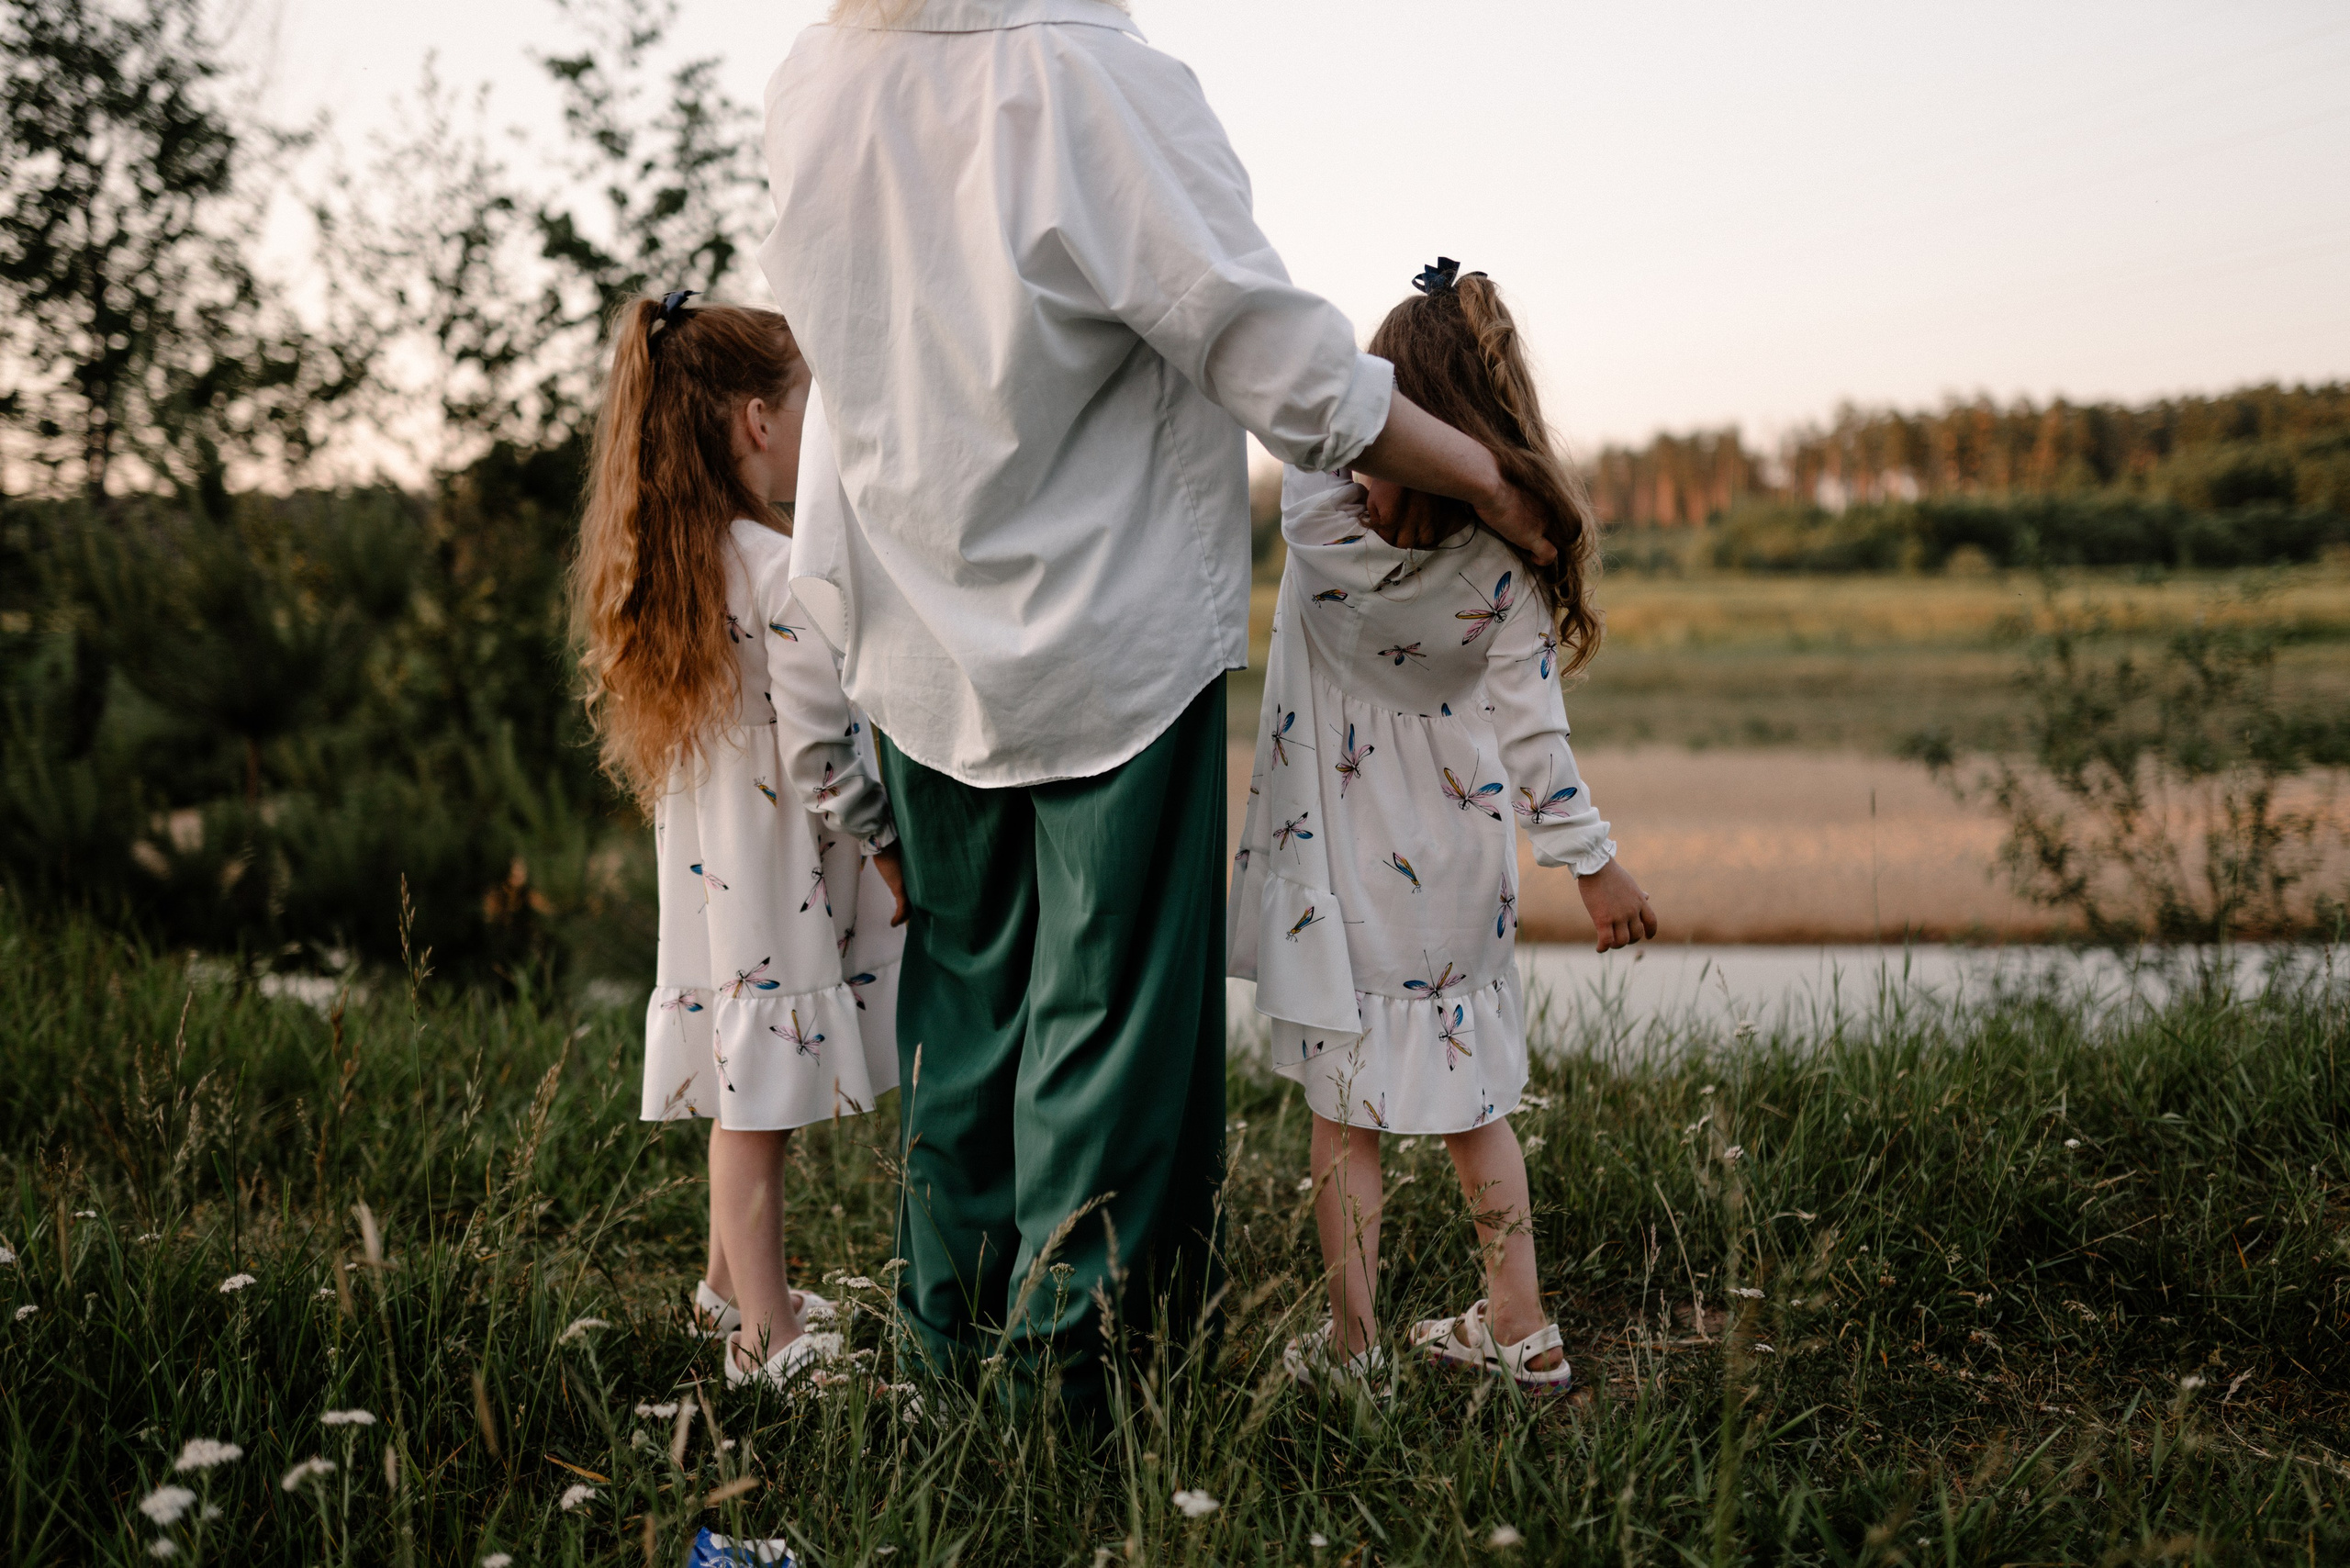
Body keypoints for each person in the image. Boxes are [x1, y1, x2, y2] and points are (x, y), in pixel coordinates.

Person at [757, 0, 1563, 1412]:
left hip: (920, 645)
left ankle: (953, 1361)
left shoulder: (817, 82)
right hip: (1112, 646)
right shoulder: (1092, 77)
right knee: (1108, 1039)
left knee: (972, 1018)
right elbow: (1283, 363)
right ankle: (1073, 1401)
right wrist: (1489, 479)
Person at [1229, 261, 1658, 1395]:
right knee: (1478, 1107)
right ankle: (1522, 1327)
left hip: (1340, 876)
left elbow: (1325, 419)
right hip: (1461, 872)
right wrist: (1596, 867)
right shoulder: (1506, 573)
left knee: (1345, 1123)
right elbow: (1536, 744)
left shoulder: (1319, 522)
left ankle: (1356, 1348)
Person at [571, 292, 909, 1391]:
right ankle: (763, 1336)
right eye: (808, 406)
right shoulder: (778, 570)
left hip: (715, 872)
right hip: (775, 870)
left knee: (741, 1069)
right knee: (759, 1100)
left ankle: (725, 1285)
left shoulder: (675, 567)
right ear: (759, 420)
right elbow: (821, 754)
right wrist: (888, 845)